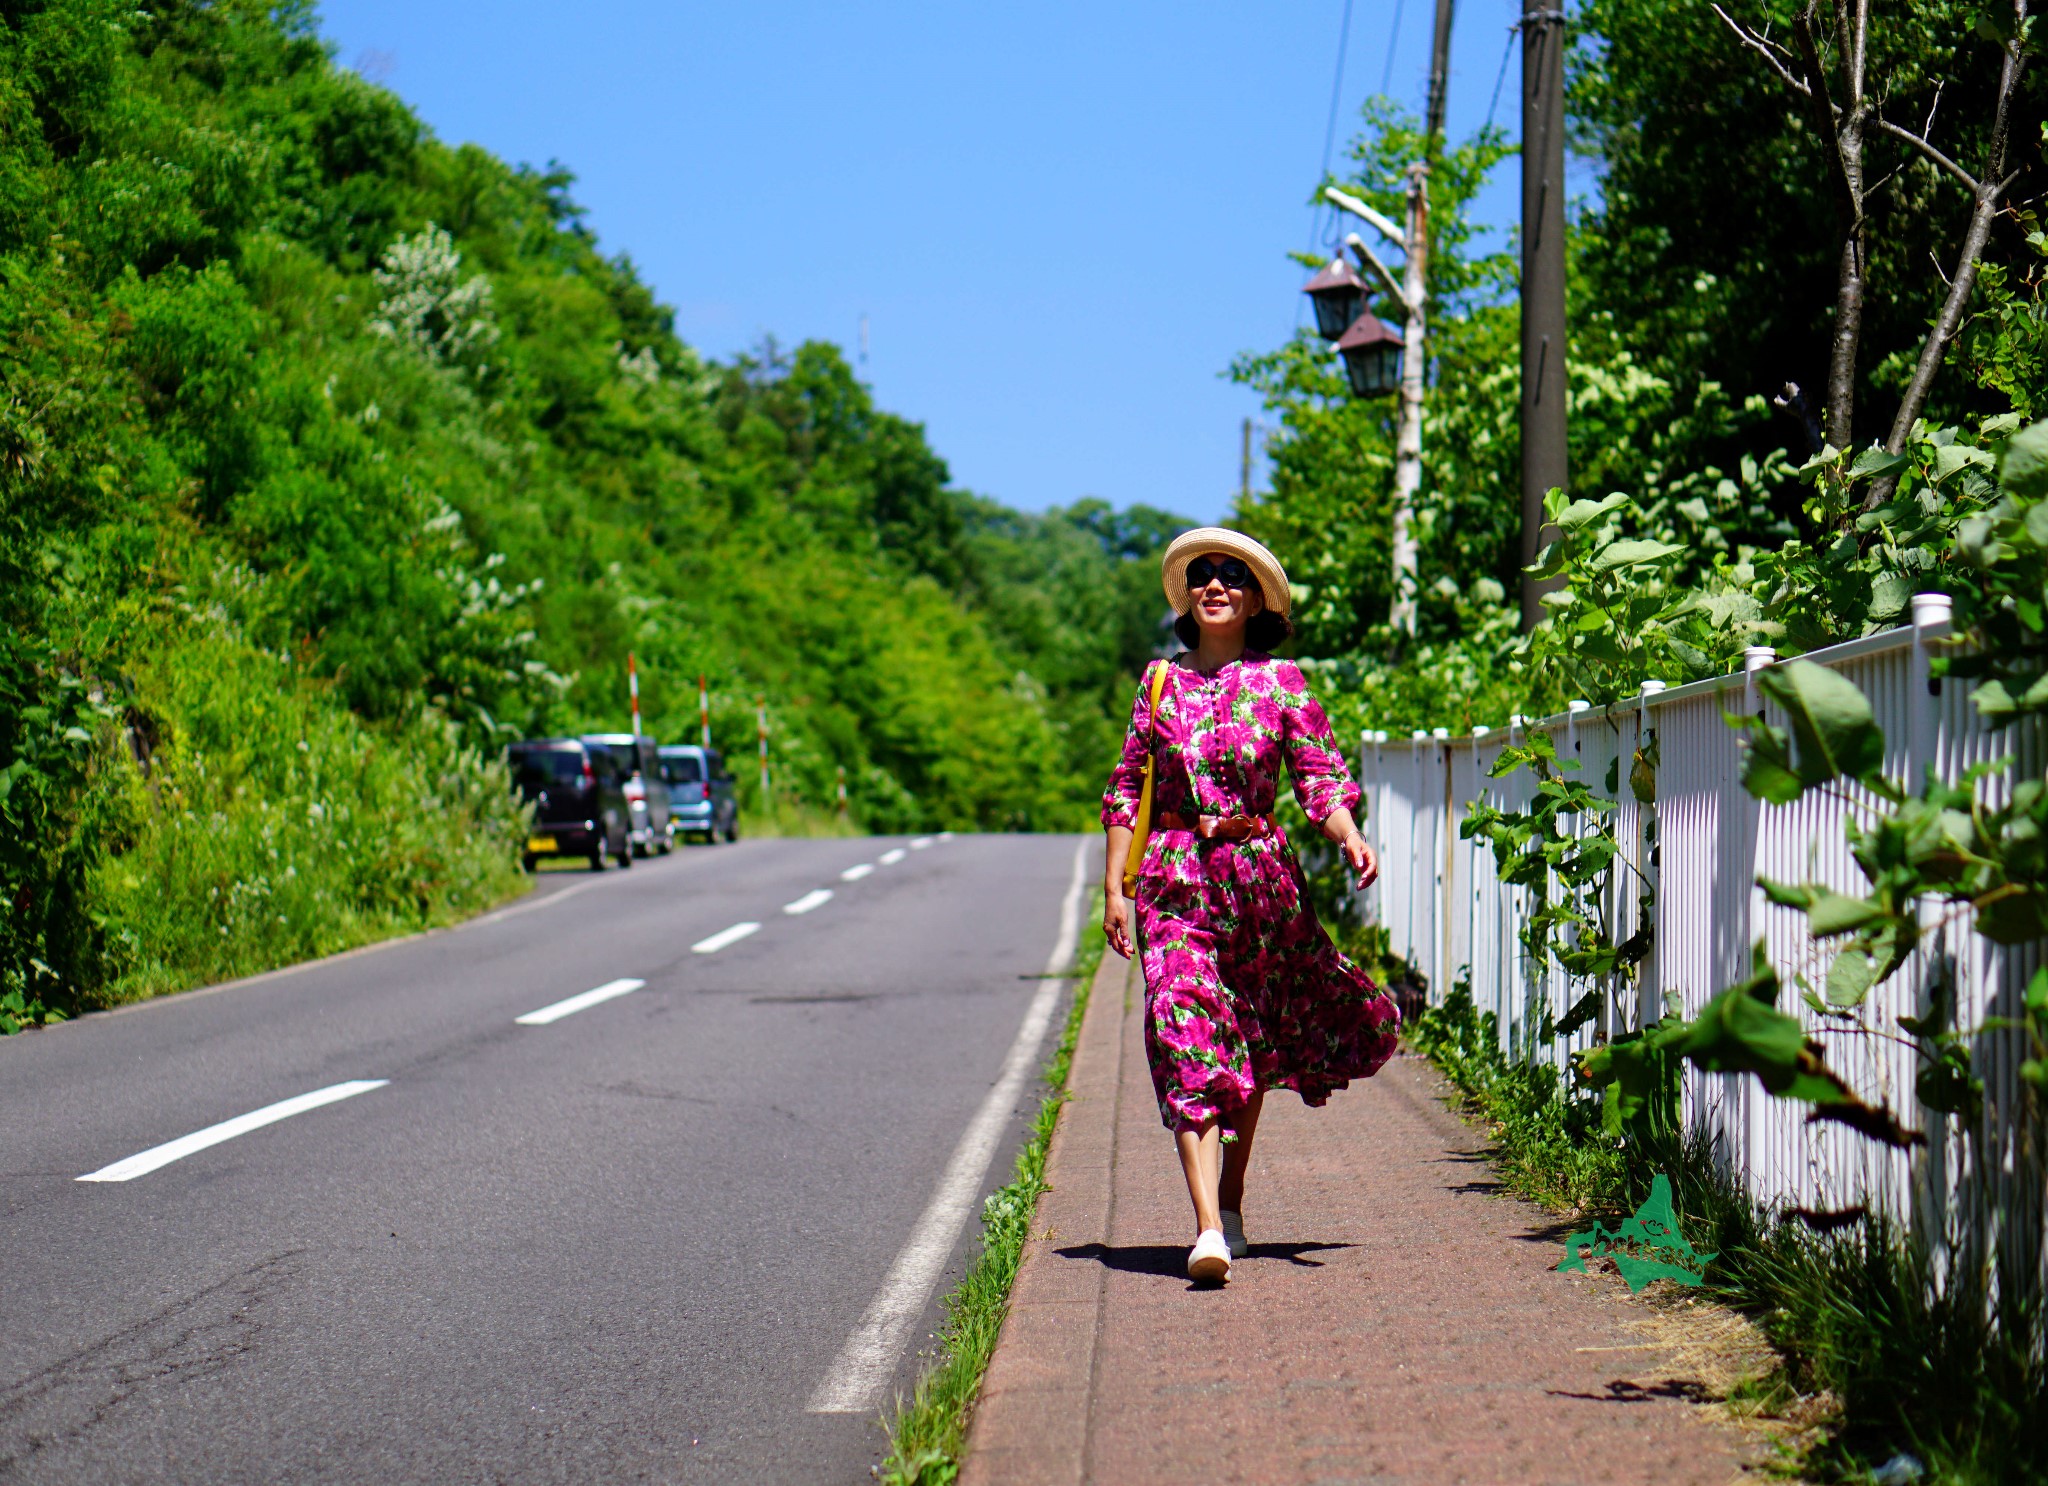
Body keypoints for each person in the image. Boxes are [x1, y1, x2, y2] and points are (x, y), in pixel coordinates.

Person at [1101, 527, 1401, 1286]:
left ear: (1256, 598)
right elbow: (1126, 784)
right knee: (1183, 1028)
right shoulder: (1159, 682)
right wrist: (1115, 886)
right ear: (1187, 595)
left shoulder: (1281, 684)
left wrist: (1350, 836)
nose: (1214, 584)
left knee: (1250, 1043)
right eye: (1202, 573)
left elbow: (1319, 777)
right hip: (1172, 878)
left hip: (1259, 883)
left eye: (1231, 574)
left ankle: (1230, 1202)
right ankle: (1206, 1227)